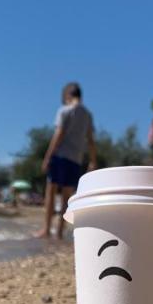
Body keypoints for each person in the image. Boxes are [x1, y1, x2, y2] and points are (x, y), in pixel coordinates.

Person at [37, 82, 97, 239]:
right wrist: (93, 160)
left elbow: (59, 134)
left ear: (67, 95)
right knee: (66, 196)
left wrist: (47, 156)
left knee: (51, 191)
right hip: (76, 159)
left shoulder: (64, 111)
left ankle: (46, 229)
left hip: (60, 156)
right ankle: (59, 232)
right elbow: (90, 139)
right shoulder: (88, 115)